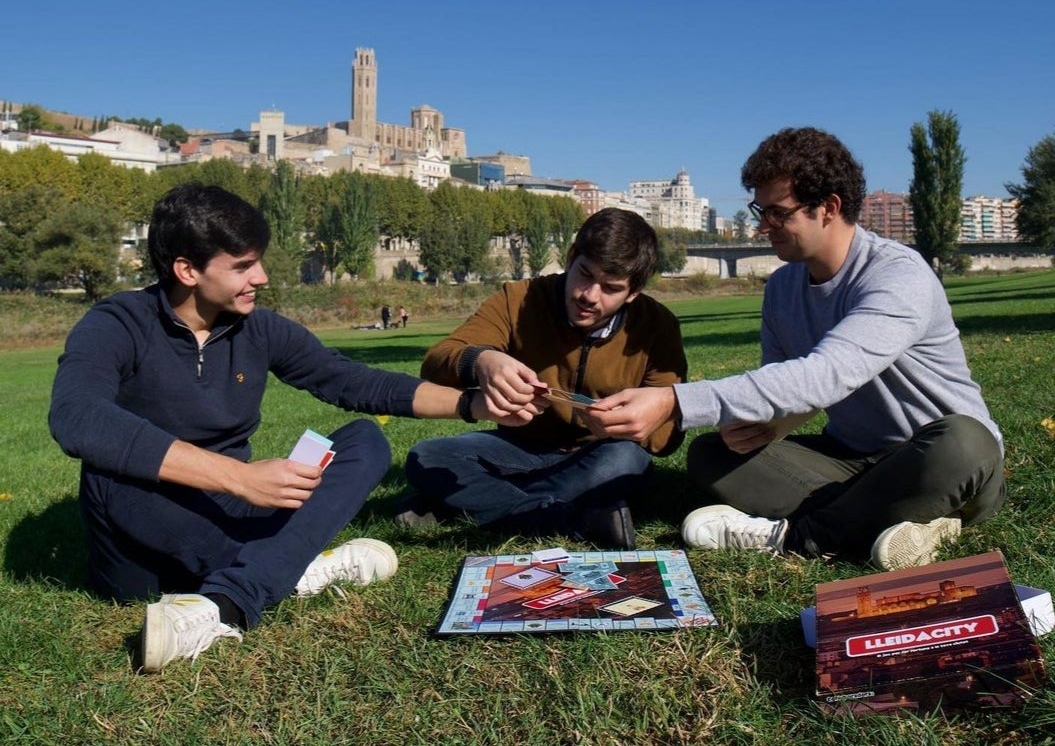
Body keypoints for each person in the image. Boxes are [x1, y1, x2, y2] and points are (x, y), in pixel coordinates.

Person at [49, 183, 526, 672]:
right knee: (111, 470)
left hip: (232, 508)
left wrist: (474, 405)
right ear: (187, 270)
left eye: (258, 261)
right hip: (149, 528)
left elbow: (353, 382)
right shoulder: (118, 323)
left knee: (363, 440)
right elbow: (76, 416)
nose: (261, 277)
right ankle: (285, 573)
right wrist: (238, 477)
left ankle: (241, 588)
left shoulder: (257, 328)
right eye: (242, 266)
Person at [583, 128, 1004, 570]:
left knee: (964, 441)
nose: (763, 226)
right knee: (713, 454)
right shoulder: (782, 288)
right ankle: (901, 518)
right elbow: (784, 386)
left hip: (938, 457)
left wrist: (673, 401)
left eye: (778, 213)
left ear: (829, 208)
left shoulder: (897, 275)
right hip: (851, 459)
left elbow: (825, 375)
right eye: (760, 211)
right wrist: (769, 427)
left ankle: (796, 537)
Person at [399, 208, 687, 549]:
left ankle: (462, 504)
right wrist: (482, 361)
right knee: (428, 456)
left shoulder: (657, 325)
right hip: (518, 446)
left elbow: (668, 435)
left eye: (611, 288)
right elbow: (436, 361)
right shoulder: (519, 299)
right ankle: (563, 515)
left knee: (626, 461)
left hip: (599, 452)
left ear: (633, 292)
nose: (589, 295)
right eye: (584, 274)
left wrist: (633, 424)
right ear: (570, 257)